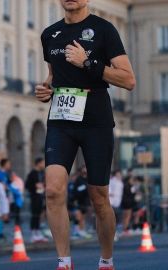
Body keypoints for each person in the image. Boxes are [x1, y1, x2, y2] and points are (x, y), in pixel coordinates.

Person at [36, 0, 136, 269]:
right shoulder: (49, 33)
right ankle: (64, 262)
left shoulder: (104, 30)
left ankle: (106, 260)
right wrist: (46, 89)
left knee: (99, 196)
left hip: (95, 119)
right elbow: (53, 75)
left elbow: (128, 80)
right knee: (54, 191)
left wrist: (88, 62)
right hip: (61, 118)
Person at [25, 157, 48, 243]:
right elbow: (27, 185)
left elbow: (43, 183)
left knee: (39, 214)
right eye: (42, 163)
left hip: (41, 196)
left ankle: (38, 232)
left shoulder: (42, 173)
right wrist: (35, 186)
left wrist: (43, 185)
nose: (43, 165)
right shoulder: (32, 173)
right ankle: (33, 233)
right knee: (34, 215)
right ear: (38, 163)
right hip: (34, 197)